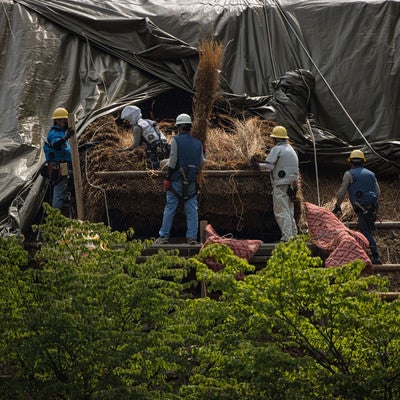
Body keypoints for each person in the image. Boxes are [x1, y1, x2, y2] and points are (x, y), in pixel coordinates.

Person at [154, 113, 205, 245]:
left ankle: (164, 236)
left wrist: (168, 177)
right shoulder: (198, 143)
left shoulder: (176, 140)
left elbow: (173, 160)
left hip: (177, 178)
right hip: (192, 180)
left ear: (179, 127)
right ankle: (192, 238)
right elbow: (202, 161)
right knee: (192, 210)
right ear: (189, 127)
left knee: (170, 207)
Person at [333, 149, 382, 264]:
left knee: (365, 231)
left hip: (362, 208)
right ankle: (366, 253)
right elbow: (378, 192)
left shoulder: (349, 174)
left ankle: (376, 256)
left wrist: (337, 205)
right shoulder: (371, 174)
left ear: (350, 162)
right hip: (373, 207)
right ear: (363, 162)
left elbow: (342, 192)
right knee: (368, 229)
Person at [252, 125, 299, 242]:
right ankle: (294, 236)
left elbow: (269, 166)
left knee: (281, 211)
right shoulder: (291, 150)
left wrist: (257, 165)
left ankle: (287, 238)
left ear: (275, 139)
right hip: (291, 185)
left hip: (281, 184)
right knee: (289, 211)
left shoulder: (277, 149)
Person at [43, 107, 74, 210]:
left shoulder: (61, 133)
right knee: (60, 190)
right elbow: (56, 145)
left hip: (64, 165)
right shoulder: (55, 133)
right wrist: (66, 137)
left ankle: (62, 215)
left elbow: (66, 152)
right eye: (63, 121)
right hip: (59, 166)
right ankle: (56, 218)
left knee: (64, 189)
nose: (65, 123)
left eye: (66, 121)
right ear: (57, 121)